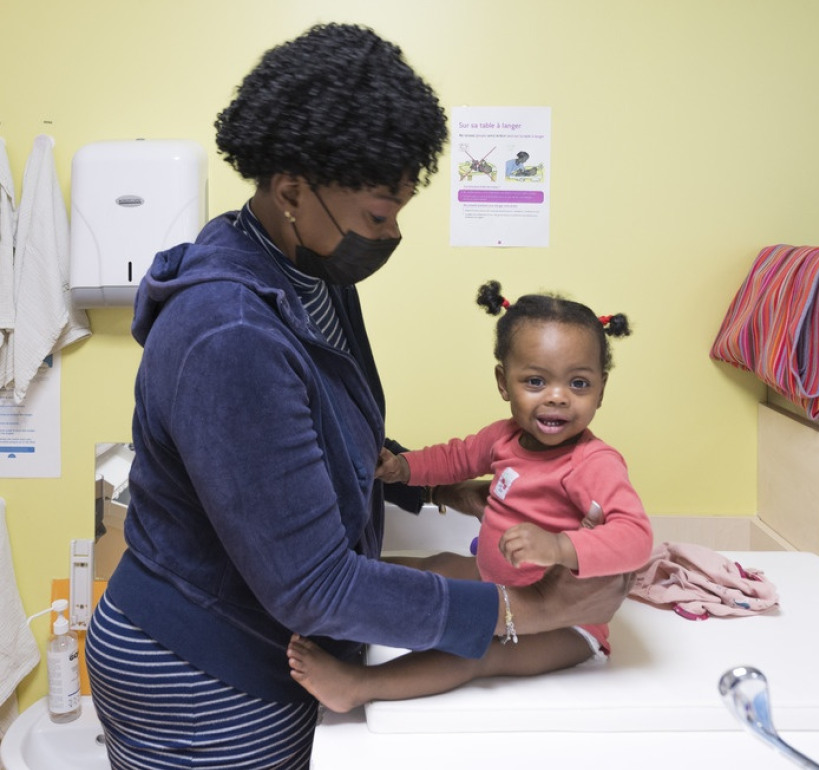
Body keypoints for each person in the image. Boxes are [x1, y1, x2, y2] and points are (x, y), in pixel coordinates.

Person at [84, 24, 628, 770]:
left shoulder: (301, 271)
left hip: (249, 638)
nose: (391, 233)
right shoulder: (230, 331)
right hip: (204, 667)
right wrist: (531, 611)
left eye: (400, 209)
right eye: (378, 215)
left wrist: (443, 492)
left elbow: (316, 438)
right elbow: (315, 584)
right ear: (292, 189)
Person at [286, 280, 652, 711]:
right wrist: (405, 468)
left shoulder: (592, 462)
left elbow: (636, 536)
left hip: (566, 624)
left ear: (601, 389)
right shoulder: (504, 437)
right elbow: (456, 458)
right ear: (504, 382)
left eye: (579, 384)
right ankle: (338, 594)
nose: (557, 397)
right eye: (536, 381)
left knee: (477, 650)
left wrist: (558, 546)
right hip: (498, 580)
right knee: (435, 565)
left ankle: (358, 686)